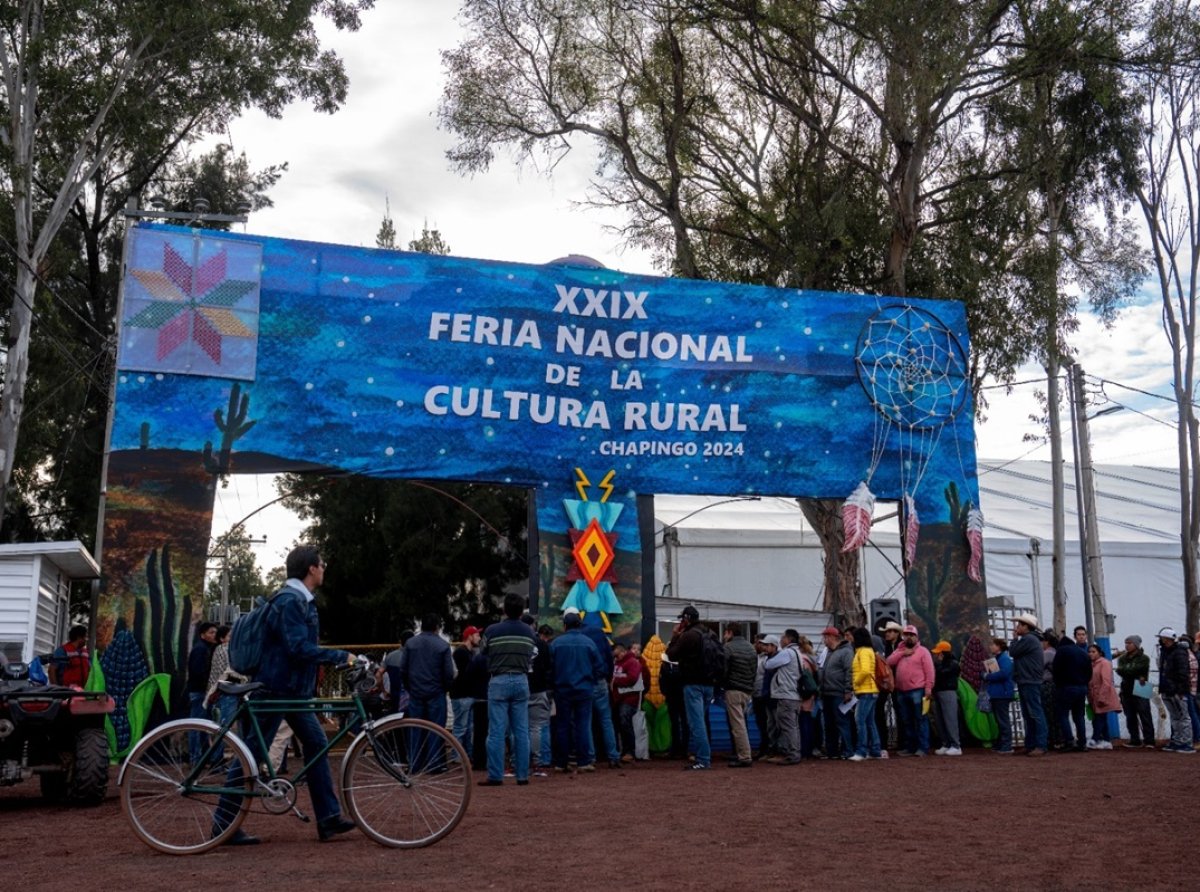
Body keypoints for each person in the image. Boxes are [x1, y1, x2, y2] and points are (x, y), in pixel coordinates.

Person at [213, 545, 354, 845]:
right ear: (311, 569)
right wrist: (341, 656)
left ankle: (328, 818)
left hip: (291, 692)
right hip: (277, 689)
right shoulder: (291, 601)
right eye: (322, 563)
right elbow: (297, 648)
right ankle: (223, 825)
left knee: (316, 743)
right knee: (249, 754)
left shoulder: (297, 600)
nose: (324, 568)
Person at [479, 593, 538, 786]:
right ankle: (522, 775)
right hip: (521, 680)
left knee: (496, 731)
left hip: (498, 680)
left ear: (504, 610)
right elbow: (531, 654)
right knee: (521, 731)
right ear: (522, 611)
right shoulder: (529, 633)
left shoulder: (492, 630)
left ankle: (496, 775)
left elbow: (483, 651)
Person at [550, 607, 605, 773]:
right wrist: (591, 680)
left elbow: (550, 668)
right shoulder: (589, 643)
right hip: (584, 689)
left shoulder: (556, 643)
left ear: (565, 626)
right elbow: (600, 667)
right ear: (579, 625)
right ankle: (584, 761)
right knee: (583, 725)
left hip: (562, 690)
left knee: (562, 726)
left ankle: (561, 762)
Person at [666, 604, 714, 771]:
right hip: (710, 683)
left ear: (686, 619)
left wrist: (675, 636)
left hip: (693, 683)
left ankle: (703, 759)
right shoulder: (709, 633)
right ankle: (706, 756)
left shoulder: (689, 635)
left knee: (696, 723)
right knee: (703, 720)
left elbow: (671, 654)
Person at [398, 613, 455, 728]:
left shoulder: (410, 644)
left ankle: (415, 747)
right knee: (436, 730)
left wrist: (410, 687)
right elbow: (449, 673)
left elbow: (403, 670)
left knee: (415, 730)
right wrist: (445, 689)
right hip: (436, 693)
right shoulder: (443, 646)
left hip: (416, 693)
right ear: (437, 627)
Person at [886, 624, 934, 756]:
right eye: (906, 634)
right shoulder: (899, 650)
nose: (909, 637)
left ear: (916, 637)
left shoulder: (923, 651)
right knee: (906, 721)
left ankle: (923, 747)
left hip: (918, 690)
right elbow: (888, 661)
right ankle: (910, 747)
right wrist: (902, 653)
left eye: (911, 635)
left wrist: (928, 688)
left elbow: (929, 671)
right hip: (901, 690)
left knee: (920, 719)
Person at [579, 617, 620, 769]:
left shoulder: (577, 636)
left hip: (585, 682)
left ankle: (590, 757)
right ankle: (613, 756)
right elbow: (609, 657)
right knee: (606, 720)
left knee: (586, 721)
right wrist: (609, 677)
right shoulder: (598, 632)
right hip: (601, 680)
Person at [763, 630, 804, 765]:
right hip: (794, 694)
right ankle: (794, 751)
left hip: (786, 693)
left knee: (787, 725)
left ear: (788, 639)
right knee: (793, 725)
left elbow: (768, 665)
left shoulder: (787, 653)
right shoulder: (798, 653)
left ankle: (792, 753)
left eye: (783, 637)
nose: (781, 640)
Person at [1010, 613, 1048, 756]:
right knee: (1030, 714)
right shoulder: (1032, 639)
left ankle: (1040, 745)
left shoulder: (1029, 639)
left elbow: (1013, 651)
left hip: (1029, 681)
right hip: (1028, 680)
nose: (1017, 627)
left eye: (1019, 624)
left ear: (1026, 626)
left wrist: (1014, 640)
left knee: (1035, 714)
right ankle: (1031, 744)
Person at [720, 622, 756, 767]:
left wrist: (722, 683)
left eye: (725, 633)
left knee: (737, 725)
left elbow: (724, 670)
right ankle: (744, 753)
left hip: (733, 689)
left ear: (730, 632)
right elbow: (754, 670)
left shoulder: (728, 648)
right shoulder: (751, 648)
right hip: (747, 690)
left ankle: (744, 756)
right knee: (742, 722)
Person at [524, 615, 554, 776]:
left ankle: (517, 762)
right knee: (537, 727)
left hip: (521, 687)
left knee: (519, 727)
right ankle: (537, 762)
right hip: (538, 688)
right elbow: (549, 667)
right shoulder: (542, 644)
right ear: (533, 626)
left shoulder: (518, 642)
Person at [1051, 633, 1092, 752]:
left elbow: (1056, 670)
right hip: (1081, 687)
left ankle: (1069, 741)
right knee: (1079, 716)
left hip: (1066, 687)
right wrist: (1084, 683)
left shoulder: (1062, 651)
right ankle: (1082, 743)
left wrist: (1058, 685)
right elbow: (1089, 672)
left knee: (1063, 715)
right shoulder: (1083, 652)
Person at [819, 626, 855, 759]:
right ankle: (832, 751)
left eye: (826, 637)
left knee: (842, 722)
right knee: (829, 724)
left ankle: (847, 750)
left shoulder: (846, 652)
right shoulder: (828, 652)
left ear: (833, 637)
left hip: (839, 693)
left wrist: (848, 690)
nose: (824, 639)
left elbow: (849, 671)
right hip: (827, 693)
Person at [1157, 627, 1193, 753]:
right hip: (1167, 689)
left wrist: (1180, 690)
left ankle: (1186, 742)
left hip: (1178, 691)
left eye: (1162, 638)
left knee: (1183, 716)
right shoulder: (1165, 652)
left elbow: (1183, 672)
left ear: (1167, 639)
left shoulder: (1179, 652)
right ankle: (1177, 741)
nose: (1161, 641)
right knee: (1175, 717)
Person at [187, 621, 219, 764]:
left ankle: (201, 757)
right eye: (211, 632)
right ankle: (195, 758)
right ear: (203, 635)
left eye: (215, 632)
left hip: (201, 691)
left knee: (202, 726)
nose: (214, 635)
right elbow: (198, 672)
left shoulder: (206, 648)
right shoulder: (201, 650)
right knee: (197, 726)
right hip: (199, 692)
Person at [1115, 634, 1155, 747]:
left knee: (1145, 714)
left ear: (1136, 645)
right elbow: (1122, 670)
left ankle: (1149, 740)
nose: (1127, 645)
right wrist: (1128, 670)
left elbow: (1134, 670)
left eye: (1129, 643)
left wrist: (1126, 670)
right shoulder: (1122, 658)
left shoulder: (1144, 658)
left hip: (1142, 686)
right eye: (1126, 643)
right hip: (1127, 687)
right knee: (1130, 715)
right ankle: (1134, 739)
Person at [848, 627, 881, 761]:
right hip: (870, 690)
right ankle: (875, 750)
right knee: (869, 722)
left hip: (865, 690)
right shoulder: (868, 651)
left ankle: (861, 751)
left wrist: (855, 683)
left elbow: (866, 671)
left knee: (860, 720)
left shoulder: (863, 652)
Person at [612, 637, 646, 764]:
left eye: (617, 655)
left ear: (622, 652)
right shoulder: (618, 662)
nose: (616, 658)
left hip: (629, 698)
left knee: (624, 721)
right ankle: (623, 750)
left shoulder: (632, 662)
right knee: (620, 723)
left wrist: (615, 681)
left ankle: (629, 751)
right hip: (618, 698)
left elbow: (632, 678)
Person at [450, 625, 482, 751]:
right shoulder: (461, 652)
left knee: (468, 727)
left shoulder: (469, 652)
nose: (479, 638)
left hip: (467, 694)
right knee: (461, 727)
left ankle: (467, 753)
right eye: (477, 635)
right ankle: (457, 754)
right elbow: (466, 674)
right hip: (461, 694)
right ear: (470, 636)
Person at [984, 638, 1015, 754]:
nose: (991, 647)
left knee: (1002, 720)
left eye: (993, 644)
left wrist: (987, 676)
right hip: (999, 693)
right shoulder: (1001, 658)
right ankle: (1002, 743)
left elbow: (1003, 673)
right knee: (1000, 720)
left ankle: (1006, 745)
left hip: (1001, 693)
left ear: (999, 646)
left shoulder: (1004, 659)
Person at [931, 641, 962, 756]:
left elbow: (942, 674)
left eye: (938, 653)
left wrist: (937, 666)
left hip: (948, 692)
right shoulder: (942, 664)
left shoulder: (953, 664)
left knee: (950, 719)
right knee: (940, 720)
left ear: (943, 653)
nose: (936, 655)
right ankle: (946, 744)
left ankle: (955, 745)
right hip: (938, 692)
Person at [1086, 644, 1120, 750]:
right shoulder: (1092, 664)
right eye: (1089, 652)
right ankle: (1106, 740)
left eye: (1093, 652)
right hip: (1094, 695)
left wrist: (1102, 696)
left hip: (1102, 695)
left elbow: (1106, 682)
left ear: (1099, 653)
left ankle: (1095, 738)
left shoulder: (1104, 663)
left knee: (1099, 717)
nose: (1091, 654)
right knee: (1101, 717)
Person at [751, 633, 775, 760]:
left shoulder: (768, 659)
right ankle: (764, 747)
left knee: (767, 723)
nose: (757, 645)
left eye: (759, 643)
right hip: (756, 693)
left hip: (765, 694)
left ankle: (768, 748)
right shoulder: (758, 657)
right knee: (761, 723)